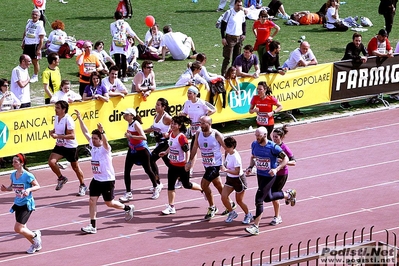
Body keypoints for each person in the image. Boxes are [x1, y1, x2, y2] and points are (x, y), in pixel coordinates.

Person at [75, 110, 134, 234]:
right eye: (93, 138)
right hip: (96, 180)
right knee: (92, 200)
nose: (93, 140)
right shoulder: (93, 145)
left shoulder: (105, 149)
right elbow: (85, 131)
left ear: (100, 139)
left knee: (109, 203)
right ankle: (93, 226)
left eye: (96, 139)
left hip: (107, 180)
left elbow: (106, 142)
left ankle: (127, 208)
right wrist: (80, 118)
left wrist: (102, 132)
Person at [244, 127, 296, 235]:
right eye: (256, 135)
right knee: (268, 198)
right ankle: (288, 194)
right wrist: (250, 167)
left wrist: (276, 169)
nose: (257, 137)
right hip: (260, 175)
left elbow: (286, 159)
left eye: (259, 135)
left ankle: (256, 226)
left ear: (265, 135)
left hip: (270, 176)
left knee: (259, 199)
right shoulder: (254, 145)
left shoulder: (273, 147)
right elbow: (253, 157)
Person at [185, 116, 235, 220]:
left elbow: (226, 148)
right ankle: (230, 202)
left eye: (203, 123)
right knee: (217, 184)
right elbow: (194, 147)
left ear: (209, 124)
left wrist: (225, 162)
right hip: (206, 164)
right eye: (200, 123)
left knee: (204, 184)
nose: (201, 125)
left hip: (215, 165)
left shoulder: (216, 134)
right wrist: (189, 161)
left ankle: (212, 207)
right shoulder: (198, 133)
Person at [159, 116, 204, 215]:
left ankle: (202, 189)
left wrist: (188, 163)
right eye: (172, 123)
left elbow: (187, 151)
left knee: (186, 185)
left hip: (181, 166)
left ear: (179, 126)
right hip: (172, 165)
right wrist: (165, 152)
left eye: (175, 124)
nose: (172, 125)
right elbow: (171, 146)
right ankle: (171, 206)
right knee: (170, 186)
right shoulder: (171, 134)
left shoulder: (181, 137)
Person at [1, 153, 42, 254]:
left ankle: (35, 235)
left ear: (21, 163)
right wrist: (6, 189)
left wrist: (29, 189)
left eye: (15, 162)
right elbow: (12, 187)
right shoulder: (13, 175)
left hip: (27, 204)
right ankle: (35, 244)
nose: (13, 164)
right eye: (13, 162)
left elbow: (37, 186)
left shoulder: (28, 175)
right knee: (23, 228)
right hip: (17, 204)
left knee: (18, 228)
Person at [119, 108, 160, 202]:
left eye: (126, 114)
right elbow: (131, 137)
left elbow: (144, 137)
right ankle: (128, 193)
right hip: (132, 150)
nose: (124, 116)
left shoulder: (136, 124)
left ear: (132, 116)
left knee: (148, 169)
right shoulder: (129, 124)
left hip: (142, 150)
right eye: (124, 114)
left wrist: (131, 136)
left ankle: (155, 187)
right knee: (126, 171)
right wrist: (129, 139)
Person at [48, 100, 87, 195]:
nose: (55, 110)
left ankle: (82, 185)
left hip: (70, 147)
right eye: (55, 107)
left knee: (75, 167)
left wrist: (58, 136)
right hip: (60, 145)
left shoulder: (68, 120)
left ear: (64, 109)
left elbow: (72, 136)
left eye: (58, 108)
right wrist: (52, 131)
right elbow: (58, 129)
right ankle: (61, 178)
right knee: (51, 162)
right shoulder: (57, 117)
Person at [180, 86, 216, 177]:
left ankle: (215, 164)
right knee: (195, 149)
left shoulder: (202, 102)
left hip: (202, 129)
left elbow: (214, 109)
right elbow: (185, 113)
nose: (188, 95)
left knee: (200, 148)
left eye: (190, 93)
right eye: (188, 93)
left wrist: (205, 117)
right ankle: (191, 168)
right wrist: (182, 115)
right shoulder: (187, 103)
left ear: (195, 94)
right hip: (193, 129)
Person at [220, 136, 253, 224]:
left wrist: (226, 170)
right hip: (230, 179)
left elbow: (237, 172)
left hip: (238, 180)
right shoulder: (228, 153)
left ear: (231, 146)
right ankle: (232, 212)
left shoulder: (236, 157)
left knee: (239, 201)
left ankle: (248, 214)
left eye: (226, 146)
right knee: (223, 196)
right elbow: (226, 164)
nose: (224, 148)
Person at [269, 125, 296, 225]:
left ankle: (277, 217)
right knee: (269, 194)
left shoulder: (284, 148)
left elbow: (294, 162)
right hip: (272, 173)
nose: (274, 138)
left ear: (281, 137)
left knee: (273, 195)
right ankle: (289, 195)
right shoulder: (271, 145)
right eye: (273, 136)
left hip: (281, 174)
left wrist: (283, 161)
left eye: (276, 137)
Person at [144, 98, 172, 190]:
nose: (156, 106)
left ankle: (158, 183)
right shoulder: (156, 116)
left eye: (158, 105)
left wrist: (169, 133)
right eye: (156, 104)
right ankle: (181, 176)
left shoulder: (167, 117)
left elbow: (177, 127)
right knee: (168, 162)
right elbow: (152, 129)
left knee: (151, 160)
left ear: (163, 107)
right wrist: (140, 132)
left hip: (165, 143)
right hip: (158, 143)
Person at [110, 11, 144, 82]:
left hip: (116, 43)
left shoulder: (112, 24)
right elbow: (132, 33)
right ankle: (124, 76)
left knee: (117, 60)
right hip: (123, 42)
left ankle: (118, 76)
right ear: (122, 17)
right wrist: (139, 40)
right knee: (124, 58)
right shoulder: (125, 23)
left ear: (115, 17)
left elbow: (112, 33)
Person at [340, 33, 368, 109]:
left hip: (354, 68)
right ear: (353, 40)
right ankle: (343, 102)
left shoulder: (361, 45)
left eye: (359, 41)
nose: (358, 42)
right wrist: (359, 57)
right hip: (344, 67)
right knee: (345, 85)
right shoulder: (349, 45)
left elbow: (366, 53)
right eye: (356, 41)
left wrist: (365, 57)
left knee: (353, 84)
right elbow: (349, 55)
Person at [220, 0, 247, 76]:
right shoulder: (229, 12)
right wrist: (223, 37)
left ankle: (233, 74)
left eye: (241, 5)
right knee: (227, 58)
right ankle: (224, 74)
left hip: (239, 38)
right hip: (230, 37)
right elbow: (223, 25)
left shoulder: (242, 13)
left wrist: (244, 34)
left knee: (237, 58)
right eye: (238, 5)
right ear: (234, 4)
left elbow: (244, 24)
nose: (239, 7)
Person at [21, 9, 46, 83]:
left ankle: (35, 76)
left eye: (36, 15)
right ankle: (25, 75)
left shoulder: (40, 25)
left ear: (39, 16)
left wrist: (39, 49)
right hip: (27, 44)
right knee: (25, 61)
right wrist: (23, 42)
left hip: (34, 45)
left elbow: (41, 38)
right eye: (33, 14)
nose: (34, 16)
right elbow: (25, 32)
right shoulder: (29, 22)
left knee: (35, 61)